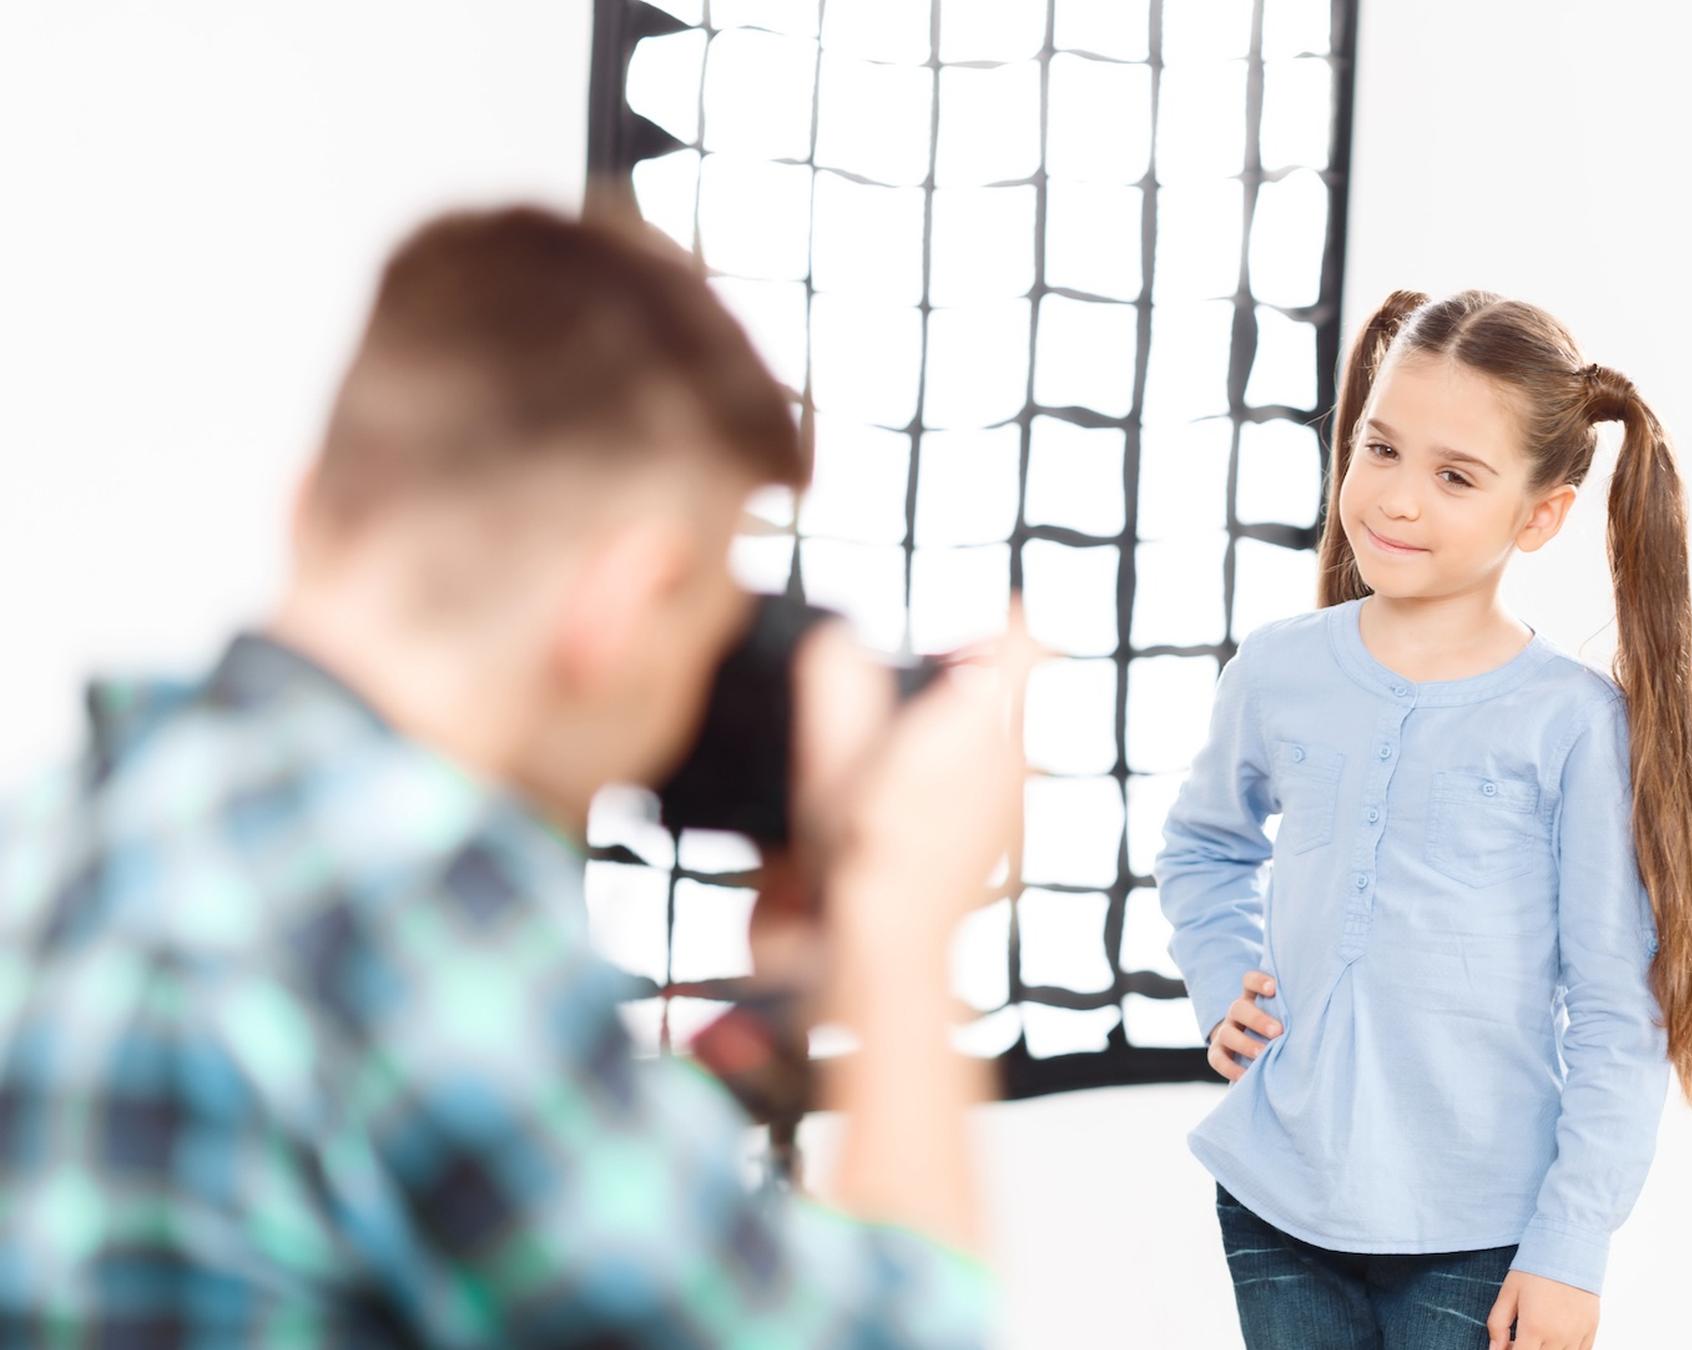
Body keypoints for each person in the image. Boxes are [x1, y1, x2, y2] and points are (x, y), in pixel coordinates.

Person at [0, 204, 1026, 1346]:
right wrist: (901, 936)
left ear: (315, 506)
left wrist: (779, 1004)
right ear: (621, 605)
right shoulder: (410, 894)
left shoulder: (62, 826)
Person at [1155, 290, 1692, 1350]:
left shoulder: (1571, 724)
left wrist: (1570, 1249)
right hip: (1278, 1199)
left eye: (1455, 475)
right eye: (1380, 449)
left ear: (1540, 513)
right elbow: (1205, 845)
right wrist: (1217, 979)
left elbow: (1617, 1010)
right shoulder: (1281, 670)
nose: (1395, 499)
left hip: (1482, 1231)